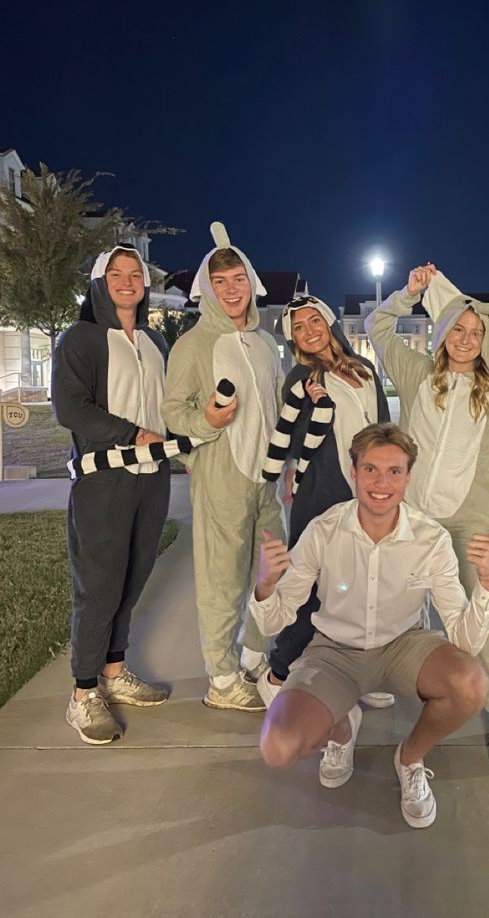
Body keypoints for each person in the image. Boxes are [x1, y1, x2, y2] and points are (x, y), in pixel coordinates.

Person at [253, 423, 489, 829]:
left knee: (469, 683)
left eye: (394, 472)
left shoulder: (431, 539)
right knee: (278, 746)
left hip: (403, 645)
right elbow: (277, 619)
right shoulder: (324, 530)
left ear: (408, 477)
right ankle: (341, 727)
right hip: (335, 651)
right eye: (370, 470)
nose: (381, 483)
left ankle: (410, 758)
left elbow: (464, 638)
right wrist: (266, 586)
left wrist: (487, 585)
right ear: (353, 472)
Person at [364, 265, 489, 772]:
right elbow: (378, 328)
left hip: (470, 520)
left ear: (487, 342)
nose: (466, 340)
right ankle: (396, 675)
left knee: (479, 620)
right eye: (457, 330)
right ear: (442, 334)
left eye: (476, 333)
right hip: (414, 516)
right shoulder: (418, 371)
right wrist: (408, 294)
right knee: (397, 603)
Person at [162, 223, 284, 711]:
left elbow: (274, 406)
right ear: (207, 289)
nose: (231, 290)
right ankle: (221, 676)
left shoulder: (263, 341)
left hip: (265, 479)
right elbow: (174, 412)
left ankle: (254, 654)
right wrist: (207, 422)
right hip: (221, 477)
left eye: (237, 279)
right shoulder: (193, 345)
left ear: (250, 282)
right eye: (221, 282)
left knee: (275, 571)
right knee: (223, 579)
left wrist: (288, 461)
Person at [52, 245, 171, 744]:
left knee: (133, 579)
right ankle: (82, 694)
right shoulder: (80, 339)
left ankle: (115, 672)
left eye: (135, 273)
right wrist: (132, 433)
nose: (128, 281)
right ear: (100, 283)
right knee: (98, 587)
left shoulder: (154, 339)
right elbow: (70, 408)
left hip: (153, 477)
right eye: (116, 274)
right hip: (104, 479)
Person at [259, 295, 394, 709]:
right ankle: (277, 670)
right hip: (321, 494)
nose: (308, 330)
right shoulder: (301, 378)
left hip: (366, 493)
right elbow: (296, 442)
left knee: (364, 589)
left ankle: (363, 672)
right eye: (298, 327)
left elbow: (383, 427)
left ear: (330, 323)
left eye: (313, 320)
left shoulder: (364, 369)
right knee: (312, 590)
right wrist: (315, 404)